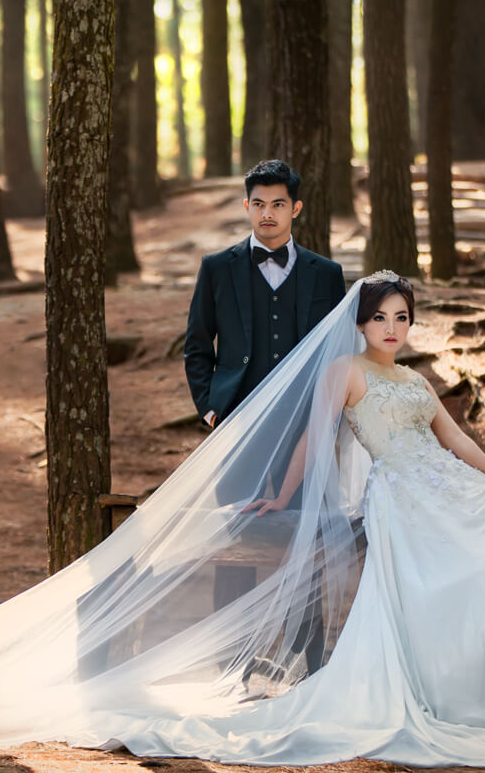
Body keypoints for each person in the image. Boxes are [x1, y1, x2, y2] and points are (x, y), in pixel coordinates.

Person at [0, 272, 485, 768]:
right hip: (400, 497)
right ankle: (475, 706)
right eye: (380, 317)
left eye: (403, 318)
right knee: (447, 580)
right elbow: (314, 444)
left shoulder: (414, 379)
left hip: (447, 484)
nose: (392, 328)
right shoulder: (344, 373)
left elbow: (456, 439)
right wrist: (279, 497)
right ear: (359, 322)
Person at [183, 159, 346, 671]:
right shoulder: (218, 268)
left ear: (295, 208)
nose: (268, 214)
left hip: (305, 430)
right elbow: (196, 346)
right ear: (246, 206)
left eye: (278, 204)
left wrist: (327, 418)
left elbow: (339, 353)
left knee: (306, 537)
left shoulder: (326, 274)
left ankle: (306, 657)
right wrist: (212, 409)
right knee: (235, 539)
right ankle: (229, 661)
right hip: (237, 431)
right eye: (259, 204)